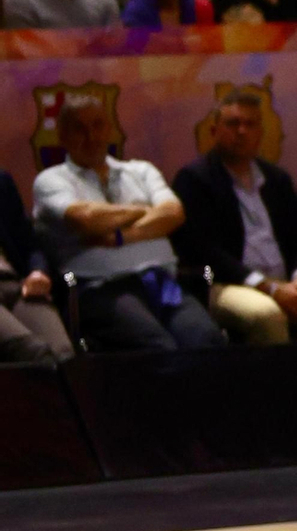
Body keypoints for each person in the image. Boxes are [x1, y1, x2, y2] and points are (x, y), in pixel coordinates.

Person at [32, 93, 226, 352]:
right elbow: (86, 219)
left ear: (110, 129)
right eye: (79, 128)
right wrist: (143, 210)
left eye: (98, 125)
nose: (91, 136)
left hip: (161, 281)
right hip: (100, 287)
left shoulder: (141, 171)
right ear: (62, 136)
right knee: (158, 348)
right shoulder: (52, 180)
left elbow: (174, 214)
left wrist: (120, 237)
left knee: (206, 340)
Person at [173, 91, 297, 345]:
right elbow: (205, 251)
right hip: (227, 283)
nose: (242, 131)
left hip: (288, 283)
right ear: (214, 131)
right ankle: (276, 384)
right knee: (267, 315)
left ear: (260, 132)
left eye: (250, 124)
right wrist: (269, 288)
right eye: (233, 124)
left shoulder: (277, 179)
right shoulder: (194, 179)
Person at [0, 169, 74, 365]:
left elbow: (29, 244)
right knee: (34, 352)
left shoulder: (2, 181)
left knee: (64, 355)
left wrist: (38, 272)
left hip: (18, 284)